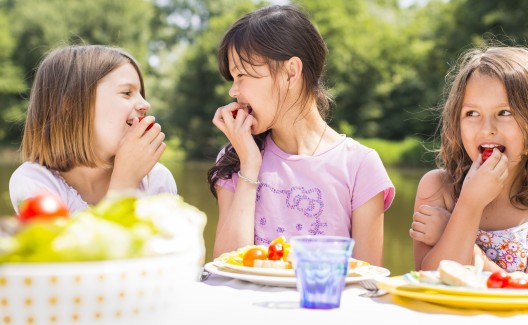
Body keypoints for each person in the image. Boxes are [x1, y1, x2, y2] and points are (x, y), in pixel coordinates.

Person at [207, 4, 395, 266]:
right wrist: (249, 165)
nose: (233, 92)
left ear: (291, 72)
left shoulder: (360, 165)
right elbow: (226, 268)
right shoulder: (235, 157)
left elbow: (365, 282)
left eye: (242, 75)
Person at [409, 45, 528, 279]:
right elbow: (430, 283)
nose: (487, 129)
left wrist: (458, 235)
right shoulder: (438, 188)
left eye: (505, 112)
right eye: (472, 113)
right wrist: (469, 203)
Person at [9, 45, 177, 214]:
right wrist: (124, 184)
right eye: (127, 92)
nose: (145, 104)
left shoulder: (157, 180)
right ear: (71, 105)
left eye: (141, 93)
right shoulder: (34, 182)